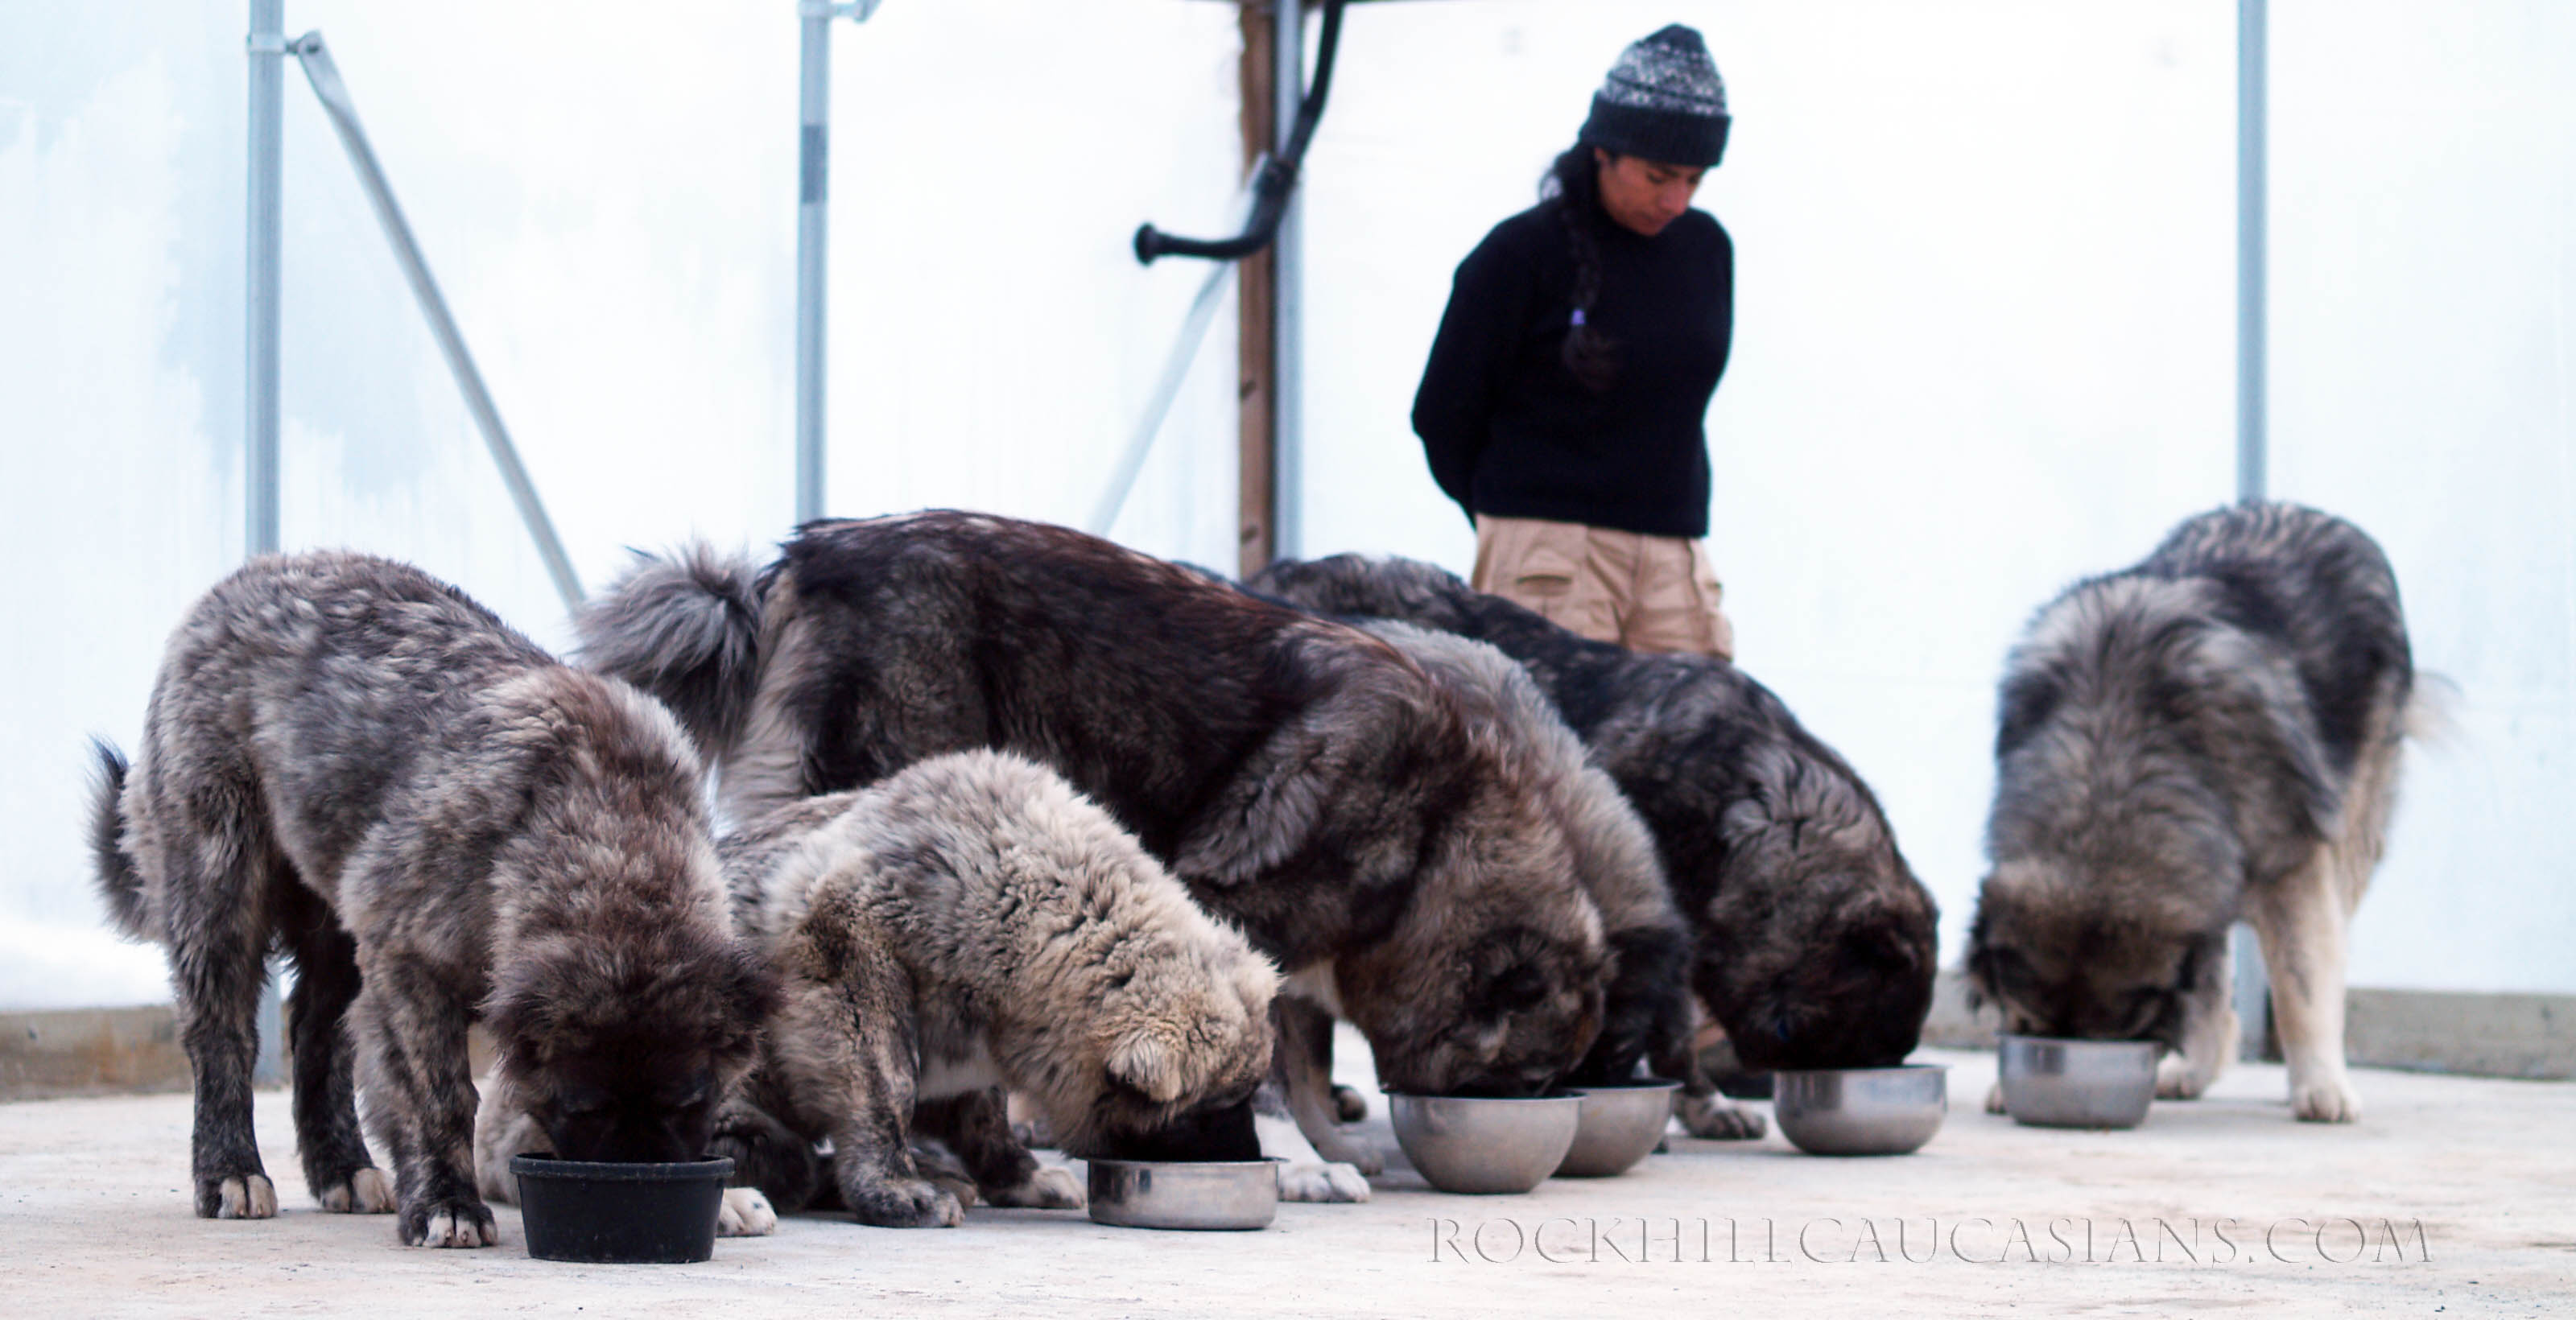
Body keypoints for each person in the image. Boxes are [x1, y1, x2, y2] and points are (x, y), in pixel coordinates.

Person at [1413, 23, 1736, 658]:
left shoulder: (1707, 250)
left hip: (1674, 560)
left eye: (1695, 180)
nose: (1676, 199)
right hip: (1549, 559)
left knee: (1694, 753)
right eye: (1658, 174)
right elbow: (1442, 414)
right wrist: (1516, 522)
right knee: (1553, 754)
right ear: (1603, 151)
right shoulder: (1520, 254)